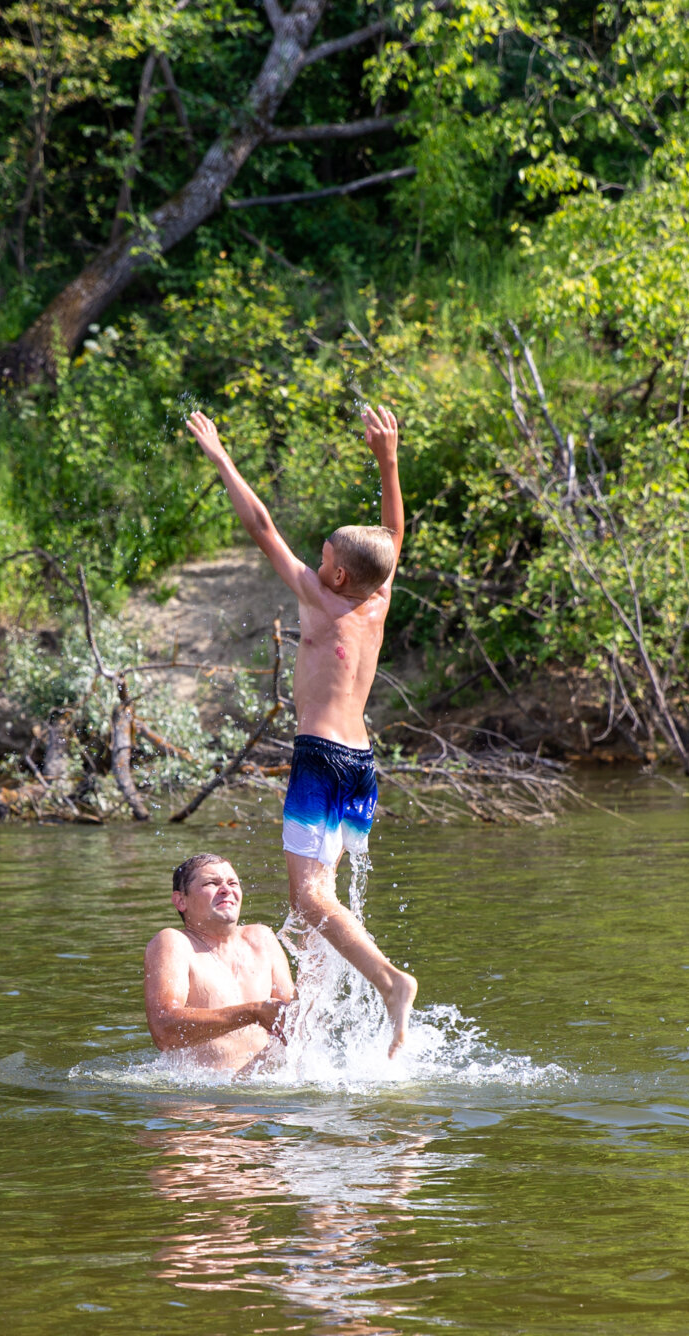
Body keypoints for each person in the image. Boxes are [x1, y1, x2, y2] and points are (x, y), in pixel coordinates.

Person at [183, 404, 419, 1056]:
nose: (313, 563)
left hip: (319, 758)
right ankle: (307, 1034)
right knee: (319, 902)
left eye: (322, 557)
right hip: (360, 762)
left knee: (310, 898)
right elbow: (393, 536)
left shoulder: (321, 597)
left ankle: (390, 982)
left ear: (337, 574)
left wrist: (221, 457)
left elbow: (261, 526)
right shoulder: (377, 596)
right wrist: (388, 461)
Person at [144, 853, 297, 1074]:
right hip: (201, 1093)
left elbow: (294, 1024)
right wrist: (252, 1012)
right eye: (211, 883)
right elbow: (164, 1031)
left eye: (233, 883)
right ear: (180, 900)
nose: (226, 889)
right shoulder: (174, 943)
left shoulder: (262, 938)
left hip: (269, 1092)